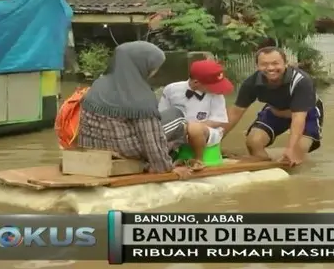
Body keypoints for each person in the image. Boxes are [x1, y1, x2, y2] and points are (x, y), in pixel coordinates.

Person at [77, 41, 192, 179]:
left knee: (163, 119)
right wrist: (165, 169)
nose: (154, 71)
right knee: (178, 117)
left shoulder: (98, 84)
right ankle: (164, 162)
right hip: (124, 149)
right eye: (154, 67)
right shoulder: (140, 95)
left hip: (95, 146)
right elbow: (150, 139)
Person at [222, 46, 324, 166]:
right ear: (257, 66)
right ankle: (265, 160)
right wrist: (213, 142)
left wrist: (290, 149)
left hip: (306, 114)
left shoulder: (301, 81)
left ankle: (290, 155)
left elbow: (298, 118)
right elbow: (235, 112)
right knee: (253, 142)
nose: (270, 68)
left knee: (296, 154)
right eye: (264, 64)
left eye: (275, 63)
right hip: (275, 110)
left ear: (286, 64)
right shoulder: (252, 82)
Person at [158, 59, 234, 166]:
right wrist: (181, 129)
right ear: (196, 82)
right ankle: (168, 158)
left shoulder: (216, 94)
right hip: (179, 130)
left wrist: (190, 127)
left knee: (194, 129)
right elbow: (162, 115)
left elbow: (218, 121)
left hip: (207, 131)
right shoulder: (171, 90)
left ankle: (198, 159)